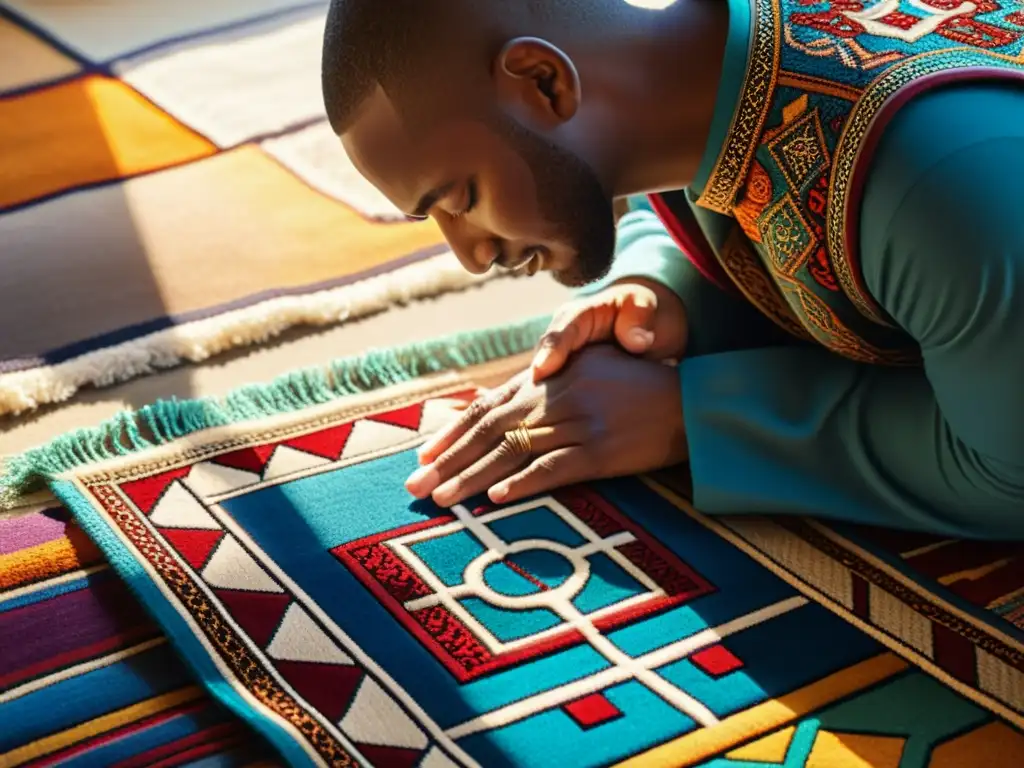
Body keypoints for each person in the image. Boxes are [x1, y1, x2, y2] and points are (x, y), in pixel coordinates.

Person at [321, 0, 1024, 538]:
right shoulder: (707, 73)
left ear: (544, 82)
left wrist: (689, 415)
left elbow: (1010, 472)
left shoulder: (938, 186)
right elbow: (712, 190)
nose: (472, 255)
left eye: (462, 198)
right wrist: (658, 288)